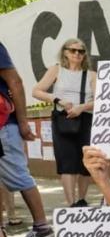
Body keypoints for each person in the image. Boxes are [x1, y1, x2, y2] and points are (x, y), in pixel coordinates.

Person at [0, 41, 54, 237]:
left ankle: (42, 227)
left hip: (5, 125)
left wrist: (22, 122)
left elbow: (15, 81)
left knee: (17, 175)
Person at [31, 39, 96, 207]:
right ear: (65, 52)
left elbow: (101, 101)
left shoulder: (91, 75)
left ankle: (82, 200)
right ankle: (71, 203)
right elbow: (36, 91)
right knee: (67, 161)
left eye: (81, 51)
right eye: (73, 50)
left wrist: (82, 107)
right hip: (62, 118)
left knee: (84, 161)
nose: (77, 54)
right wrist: (58, 100)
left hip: (86, 119)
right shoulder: (56, 69)